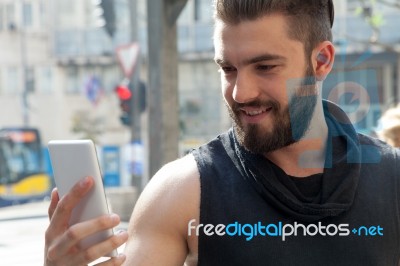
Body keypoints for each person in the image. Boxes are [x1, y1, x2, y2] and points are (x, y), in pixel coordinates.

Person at [44, 0, 400, 265]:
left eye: (265, 67)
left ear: (321, 61)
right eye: (228, 68)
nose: (241, 93)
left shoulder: (392, 178)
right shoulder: (181, 192)